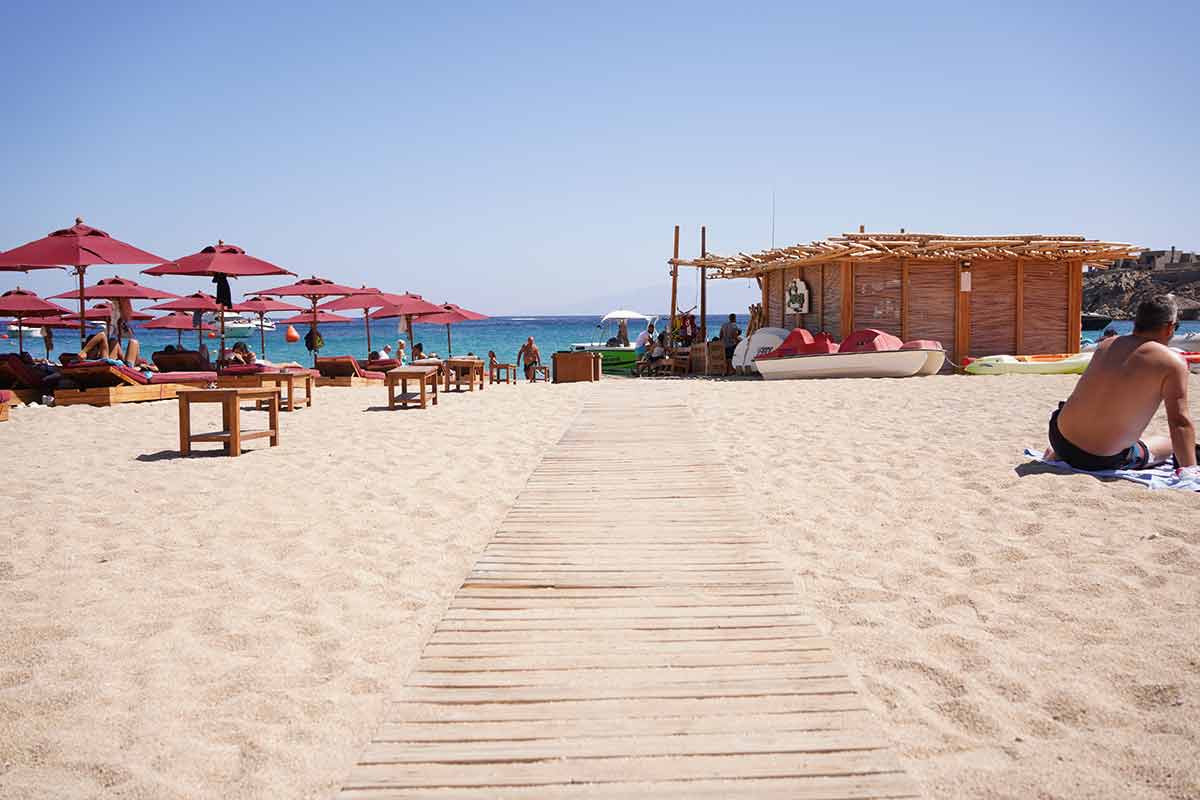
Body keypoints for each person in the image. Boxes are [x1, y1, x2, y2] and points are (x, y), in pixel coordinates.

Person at [1046, 295, 1197, 477]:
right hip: (1097, 459)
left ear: (1136, 322)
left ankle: (1059, 454)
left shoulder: (1107, 345)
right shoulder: (1172, 363)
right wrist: (1189, 472)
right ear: (1169, 327)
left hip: (1058, 437)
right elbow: (1179, 422)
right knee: (1168, 445)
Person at [79, 298, 140, 365]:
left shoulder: (102, 358)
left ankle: (137, 366)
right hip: (120, 366)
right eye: (92, 350)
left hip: (120, 366)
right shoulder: (103, 359)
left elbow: (102, 335)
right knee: (132, 342)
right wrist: (84, 351)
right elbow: (102, 335)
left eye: (93, 350)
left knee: (120, 341)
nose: (91, 352)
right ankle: (137, 366)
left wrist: (84, 351)